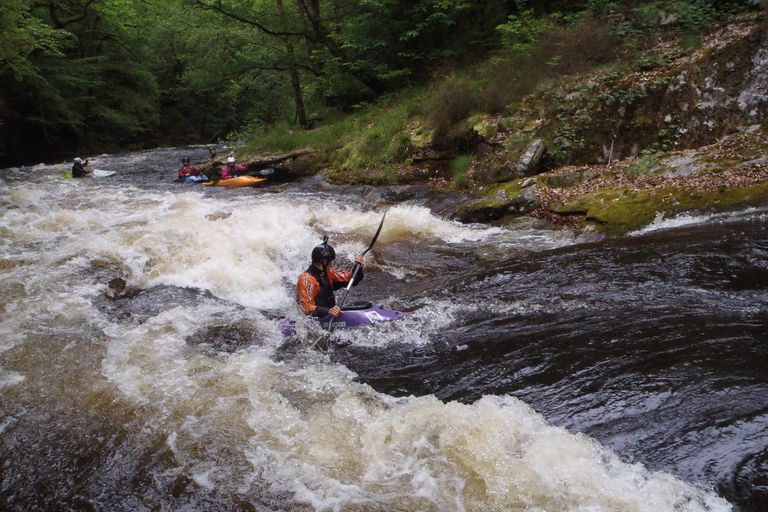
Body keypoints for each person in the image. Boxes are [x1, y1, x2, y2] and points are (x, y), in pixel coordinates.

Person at [297, 239, 365, 318]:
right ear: (324, 261)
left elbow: (351, 280)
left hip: (330, 315)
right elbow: (305, 307)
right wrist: (328, 311)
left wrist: (358, 267)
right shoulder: (306, 279)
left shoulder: (328, 273)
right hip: (315, 320)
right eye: (331, 262)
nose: (331, 264)